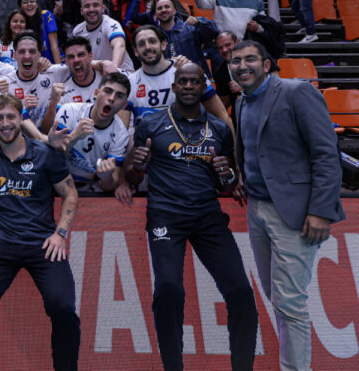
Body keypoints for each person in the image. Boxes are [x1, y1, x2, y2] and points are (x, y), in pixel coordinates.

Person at [124, 62, 258, 371]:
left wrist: (226, 177)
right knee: (169, 289)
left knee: (240, 291)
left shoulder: (221, 129)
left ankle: (243, 366)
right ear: (173, 87)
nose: (187, 86)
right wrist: (136, 165)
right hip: (166, 217)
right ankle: (173, 365)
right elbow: (132, 179)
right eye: (182, 81)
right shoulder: (151, 125)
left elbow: (226, 183)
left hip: (207, 216)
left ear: (202, 88)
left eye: (193, 82)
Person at [229, 40, 344, 371]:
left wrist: (321, 210)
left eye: (250, 59)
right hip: (257, 209)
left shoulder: (296, 92)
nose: (242, 65)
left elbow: (326, 154)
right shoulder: (240, 103)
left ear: (267, 65)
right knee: (277, 297)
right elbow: (252, 150)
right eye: (236, 61)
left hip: (294, 212)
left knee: (290, 302)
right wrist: (242, 177)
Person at [0, 93, 80, 371]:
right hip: (1, 244)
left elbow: (71, 194)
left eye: (11, 117)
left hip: (43, 244)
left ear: (20, 119)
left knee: (63, 308)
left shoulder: (45, 155)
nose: (5, 123)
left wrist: (59, 234)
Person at [121, 25, 232, 130]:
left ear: (163, 45)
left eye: (152, 41)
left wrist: (233, 150)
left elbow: (222, 115)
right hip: (148, 148)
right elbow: (120, 131)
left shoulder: (189, 71)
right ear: (135, 51)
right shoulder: (130, 83)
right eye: (141, 44)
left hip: (188, 145)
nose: (148, 47)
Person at [55, 72, 130, 192]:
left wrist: (106, 178)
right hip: (57, 182)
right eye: (108, 91)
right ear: (96, 93)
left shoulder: (121, 135)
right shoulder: (69, 111)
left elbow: (110, 186)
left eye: (119, 96)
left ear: (124, 105)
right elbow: (50, 156)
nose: (111, 98)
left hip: (89, 190)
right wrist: (73, 137)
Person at [153, 0, 218, 76]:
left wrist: (199, 22)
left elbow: (215, 31)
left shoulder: (190, 29)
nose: (163, 10)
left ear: (174, 11)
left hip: (196, 78)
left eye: (167, 7)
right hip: (169, 82)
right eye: (159, 8)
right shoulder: (154, 38)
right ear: (156, 14)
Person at [71, 0, 133, 72]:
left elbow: (119, 45)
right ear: (81, 11)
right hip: (98, 77)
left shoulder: (111, 24)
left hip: (122, 74)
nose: (91, 9)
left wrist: (113, 70)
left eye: (95, 5)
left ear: (103, 8)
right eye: (87, 6)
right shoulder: (77, 31)